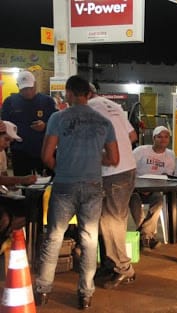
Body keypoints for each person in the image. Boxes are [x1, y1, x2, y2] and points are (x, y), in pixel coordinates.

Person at [34, 75, 119, 310]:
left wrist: (63, 166)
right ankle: (85, 294)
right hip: (93, 186)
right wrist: (93, 158)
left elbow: (46, 155)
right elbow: (114, 158)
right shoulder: (104, 122)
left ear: (70, 94)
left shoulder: (58, 118)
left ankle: (43, 290)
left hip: (64, 185)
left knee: (54, 237)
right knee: (90, 239)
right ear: (89, 94)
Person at [87, 84, 138, 290]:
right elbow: (132, 136)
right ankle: (111, 263)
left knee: (112, 222)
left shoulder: (88, 107)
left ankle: (124, 268)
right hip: (127, 169)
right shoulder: (113, 106)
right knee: (110, 220)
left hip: (112, 172)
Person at [1, 70, 57, 176]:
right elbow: (4, 127)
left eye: (30, 88)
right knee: (23, 183)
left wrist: (45, 126)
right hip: (19, 151)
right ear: (18, 86)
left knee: (46, 184)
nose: (27, 92)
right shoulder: (10, 102)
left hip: (43, 150)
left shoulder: (47, 101)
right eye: (24, 89)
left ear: (35, 84)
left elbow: (56, 125)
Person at [129, 126, 175, 249]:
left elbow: (167, 175)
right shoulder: (141, 151)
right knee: (133, 200)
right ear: (154, 138)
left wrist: (152, 186)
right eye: (159, 137)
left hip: (154, 189)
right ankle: (148, 236)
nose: (163, 139)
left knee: (158, 201)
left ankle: (143, 234)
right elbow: (129, 168)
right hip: (136, 189)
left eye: (166, 137)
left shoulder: (170, 154)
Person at [0, 120, 37, 249]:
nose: (7, 144)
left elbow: (4, 178)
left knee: (29, 208)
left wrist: (13, 184)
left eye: (10, 141)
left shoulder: (2, 153)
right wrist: (21, 180)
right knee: (5, 217)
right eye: (6, 140)